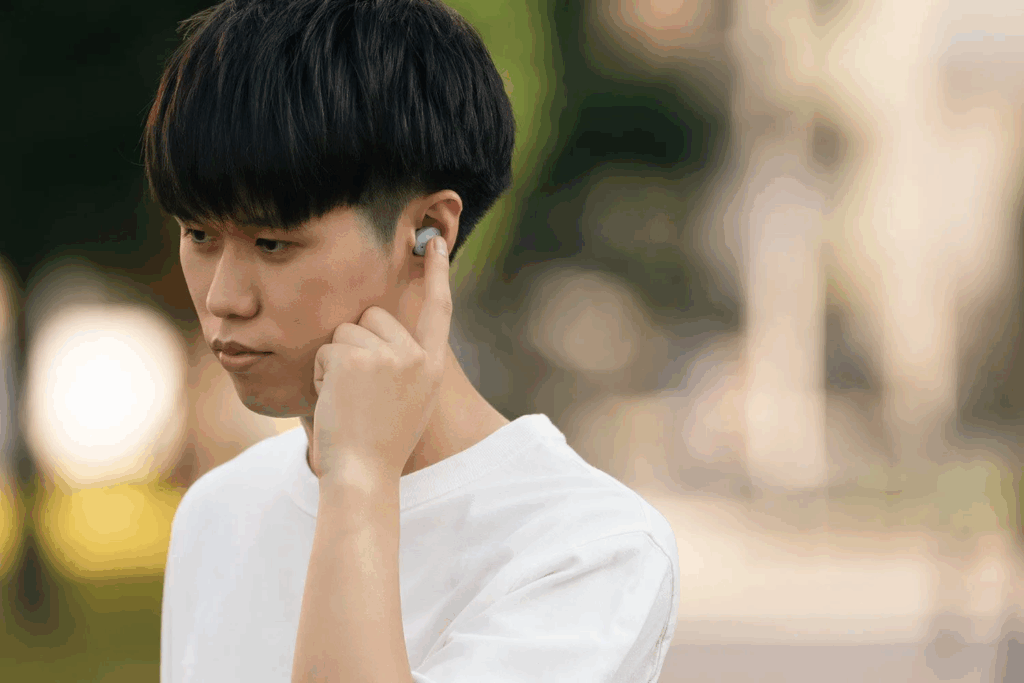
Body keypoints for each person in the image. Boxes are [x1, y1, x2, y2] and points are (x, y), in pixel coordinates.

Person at [143, 1, 680, 680]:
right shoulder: (218, 513)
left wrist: (360, 479)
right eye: (198, 235)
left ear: (430, 233)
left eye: (271, 243)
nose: (223, 297)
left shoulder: (587, 551)